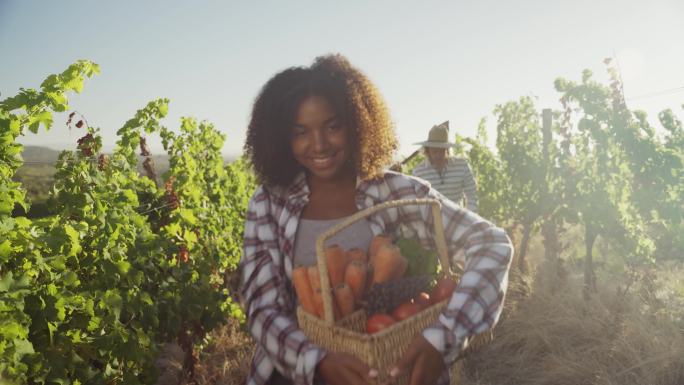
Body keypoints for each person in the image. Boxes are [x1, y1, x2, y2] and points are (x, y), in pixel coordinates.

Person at [239, 54, 513, 385]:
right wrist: (317, 362)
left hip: (393, 372)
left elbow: (491, 244)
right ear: (282, 138)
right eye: (301, 133)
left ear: (357, 123)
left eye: (333, 126)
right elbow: (262, 307)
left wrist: (443, 337)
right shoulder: (269, 204)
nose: (319, 144)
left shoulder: (397, 192)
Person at [412, 121, 478, 213]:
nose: (438, 155)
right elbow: (417, 202)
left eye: (441, 151)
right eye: (434, 151)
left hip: (457, 219)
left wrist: (470, 218)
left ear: (447, 149)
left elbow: (472, 194)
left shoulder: (462, 166)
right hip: (431, 222)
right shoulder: (418, 172)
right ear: (427, 151)